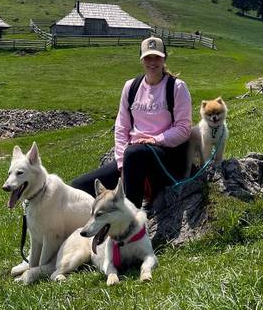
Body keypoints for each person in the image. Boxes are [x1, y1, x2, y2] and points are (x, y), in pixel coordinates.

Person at [71, 36, 192, 209]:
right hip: (132, 158)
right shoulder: (131, 87)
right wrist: (121, 163)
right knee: (78, 187)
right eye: (148, 57)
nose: (153, 62)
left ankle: (131, 220)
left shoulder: (177, 87)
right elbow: (122, 127)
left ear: (164, 58)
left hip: (165, 156)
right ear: (141, 59)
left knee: (135, 153)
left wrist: (156, 140)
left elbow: (184, 129)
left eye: (157, 57)